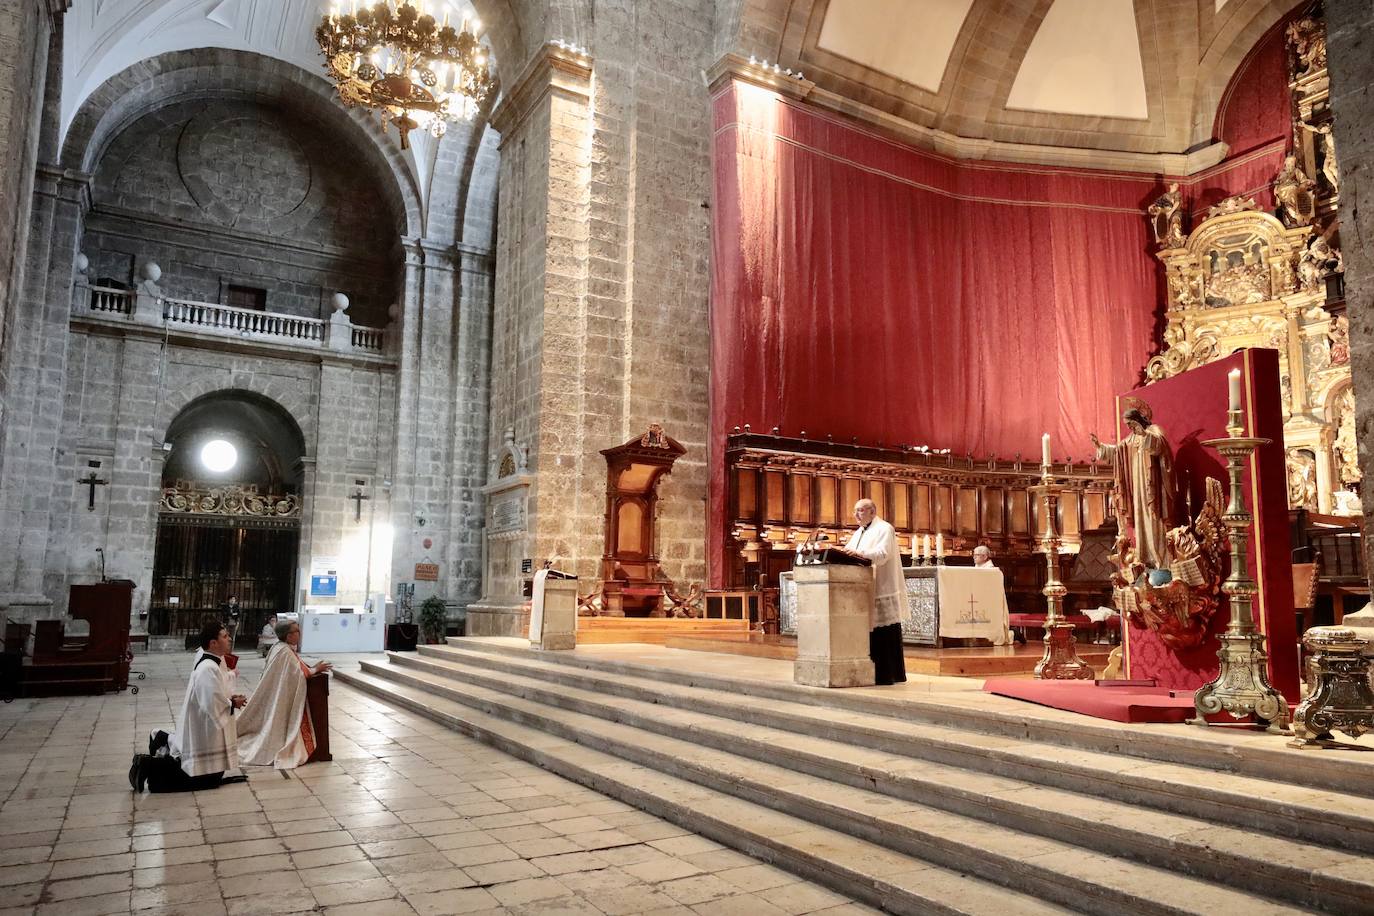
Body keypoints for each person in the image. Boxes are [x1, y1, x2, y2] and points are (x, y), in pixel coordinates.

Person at [131, 620, 245, 792]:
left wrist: (229, 697)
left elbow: (216, 690)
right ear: (213, 643)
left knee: (212, 777)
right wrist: (231, 703)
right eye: (224, 636)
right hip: (204, 726)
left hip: (204, 725)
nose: (229, 638)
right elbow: (211, 702)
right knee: (206, 779)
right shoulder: (208, 667)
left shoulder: (213, 661)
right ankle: (148, 765)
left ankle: (161, 740)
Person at [236, 620, 332, 769]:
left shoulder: (279, 647)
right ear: (288, 636)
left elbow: (296, 667)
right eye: (296, 631)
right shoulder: (285, 652)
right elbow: (298, 674)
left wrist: (311, 668)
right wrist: (315, 669)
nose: (299, 634)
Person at [1091, 407, 1176, 571]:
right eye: (1127, 425)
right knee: (1141, 522)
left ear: (1138, 420)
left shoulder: (1153, 431)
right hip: (1137, 488)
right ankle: (1146, 559)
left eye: (1130, 423)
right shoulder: (1131, 438)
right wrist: (1100, 446)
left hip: (1152, 488)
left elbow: (1160, 446)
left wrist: (1145, 434)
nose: (1129, 428)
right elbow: (1118, 451)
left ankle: (1161, 561)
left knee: (1153, 521)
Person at [843, 498, 907, 686]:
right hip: (864, 587)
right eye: (855, 511)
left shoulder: (884, 528)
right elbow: (848, 551)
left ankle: (888, 674)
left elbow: (882, 554)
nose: (856, 515)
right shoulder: (859, 532)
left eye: (860, 511)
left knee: (884, 631)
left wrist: (859, 554)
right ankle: (871, 672)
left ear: (872, 511)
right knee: (871, 632)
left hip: (881, 586)